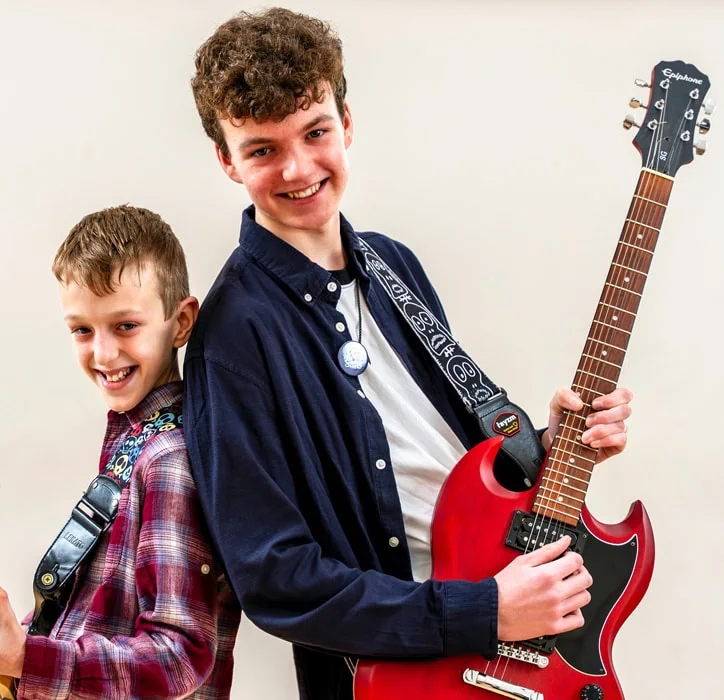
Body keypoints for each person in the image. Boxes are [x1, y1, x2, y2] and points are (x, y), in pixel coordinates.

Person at [184, 8, 633, 700]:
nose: (298, 168)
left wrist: (553, 445)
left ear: (347, 123)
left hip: (513, 650)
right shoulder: (231, 337)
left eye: (315, 132)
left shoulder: (394, 266)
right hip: (406, 676)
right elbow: (273, 577)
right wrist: (483, 611)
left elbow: (446, 470)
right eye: (262, 150)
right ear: (226, 160)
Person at [0, 205, 240, 700]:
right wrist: (22, 637)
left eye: (125, 325)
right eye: (82, 330)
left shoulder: (170, 462)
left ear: (182, 322)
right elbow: (102, 614)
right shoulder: (136, 443)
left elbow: (179, 657)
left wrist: (26, 659)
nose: (103, 354)